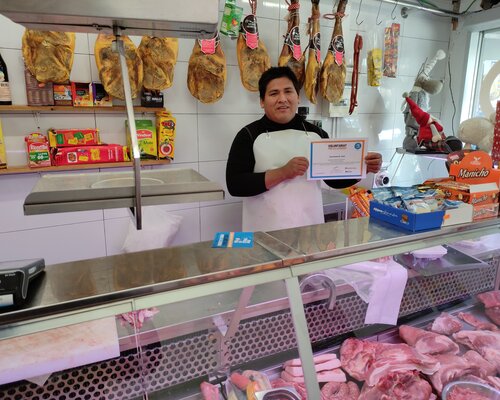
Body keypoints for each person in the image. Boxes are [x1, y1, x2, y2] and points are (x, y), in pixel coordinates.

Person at [226, 66, 382, 232]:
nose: (282, 99)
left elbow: (334, 180)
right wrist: (283, 172)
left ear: (298, 97)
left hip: (309, 230)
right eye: (274, 93)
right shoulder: (248, 135)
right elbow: (235, 185)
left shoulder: (316, 134)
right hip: (264, 231)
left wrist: (363, 167)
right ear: (262, 101)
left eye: (288, 91)